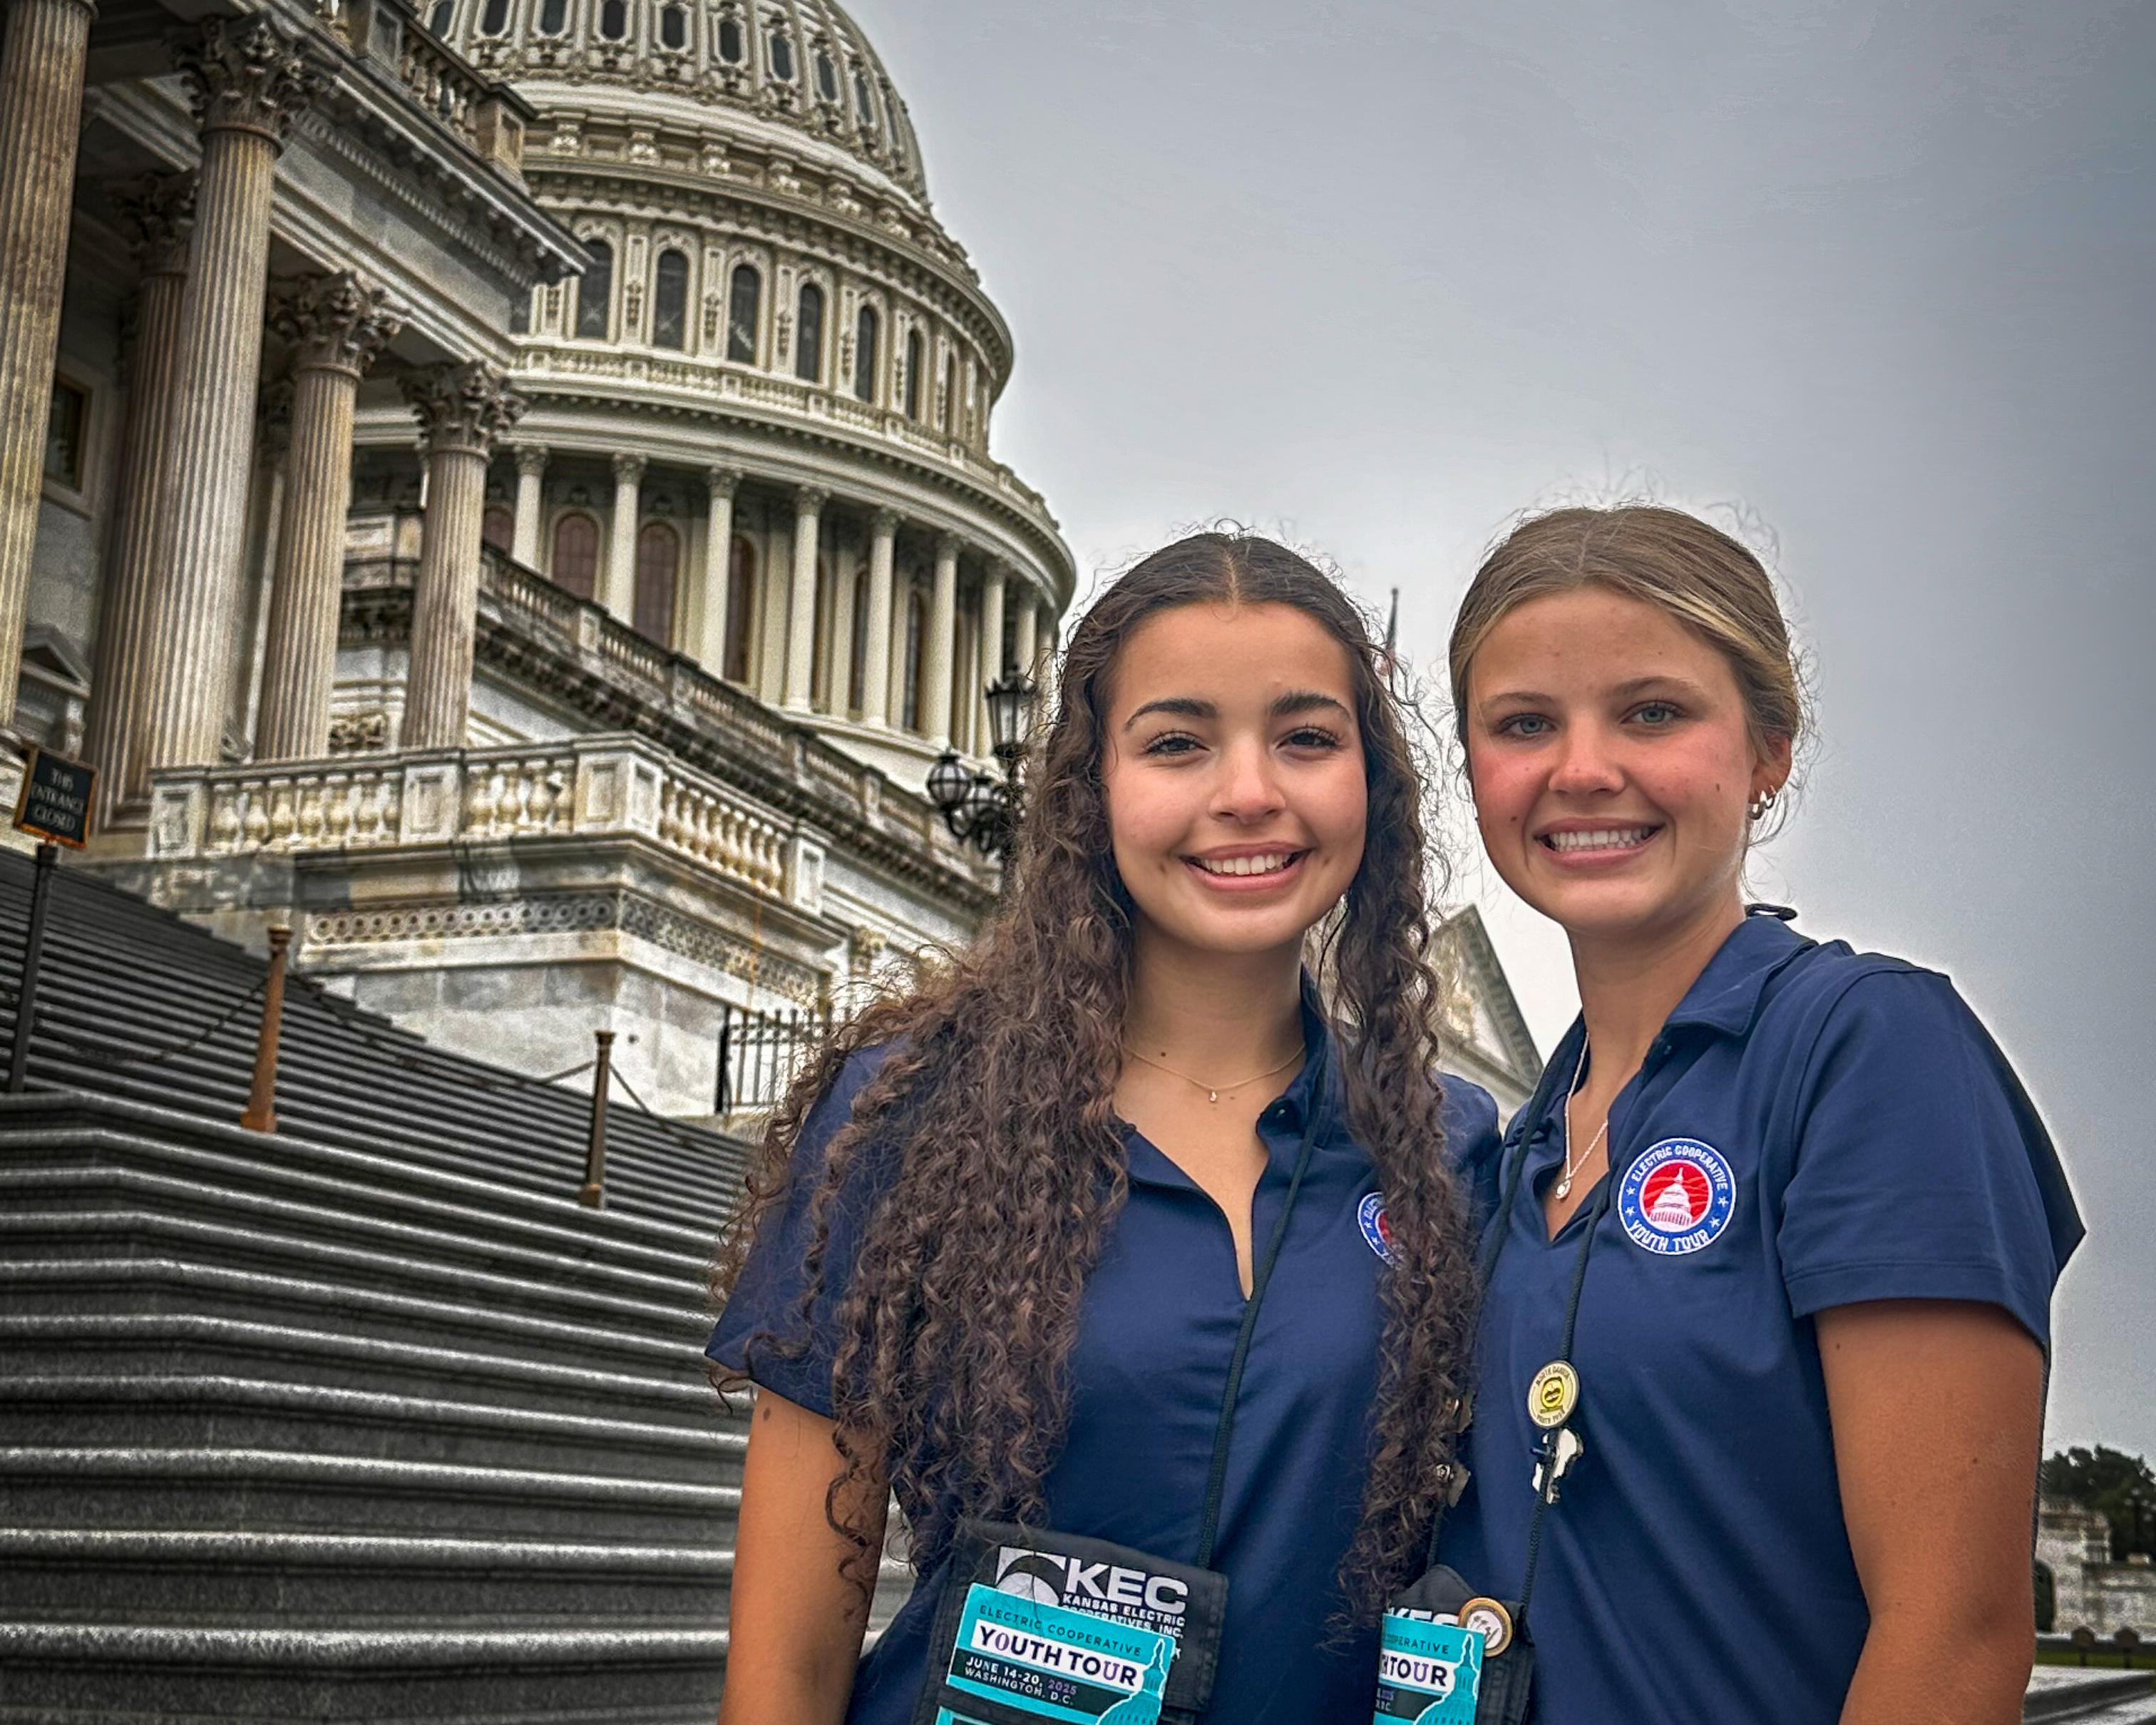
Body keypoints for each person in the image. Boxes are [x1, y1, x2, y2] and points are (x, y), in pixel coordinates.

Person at [707, 532, 1500, 1725]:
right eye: (1177, 743)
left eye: (1306, 738)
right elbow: (786, 1672)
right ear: (1092, 788)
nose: (1249, 792)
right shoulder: (912, 1116)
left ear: (1372, 784)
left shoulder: (1449, 1153)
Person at [1435, 505, 2083, 1725]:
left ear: (1769, 752)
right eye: (1525, 724)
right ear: (1474, 772)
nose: (1584, 768)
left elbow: (1953, 1638)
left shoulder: (1867, 1050)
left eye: (1652, 713)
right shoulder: (1521, 1140)